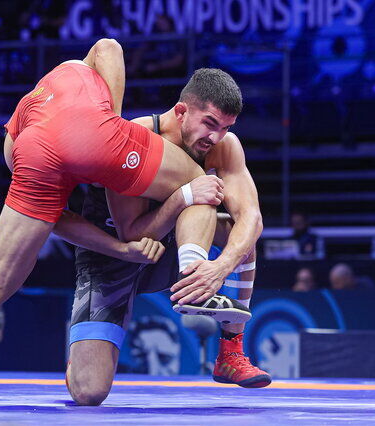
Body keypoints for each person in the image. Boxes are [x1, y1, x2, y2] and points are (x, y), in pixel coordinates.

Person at [0, 39, 247, 405]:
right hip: (100, 143)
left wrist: (120, 248)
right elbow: (108, 47)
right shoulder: (77, 72)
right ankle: (192, 273)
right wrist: (113, 126)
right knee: (198, 184)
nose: (216, 137)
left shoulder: (16, 145)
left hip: (36, 155)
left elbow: (57, 220)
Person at [65, 68, 271, 406]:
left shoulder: (223, 147)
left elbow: (252, 216)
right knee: (90, 393)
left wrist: (222, 266)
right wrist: (182, 196)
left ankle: (230, 352)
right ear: (180, 111)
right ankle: (83, 357)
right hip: (114, 255)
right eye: (209, 123)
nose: (216, 137)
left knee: (233, 225)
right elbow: (132, 233)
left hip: (171, 249)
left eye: (225, 128)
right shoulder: (134, 138)